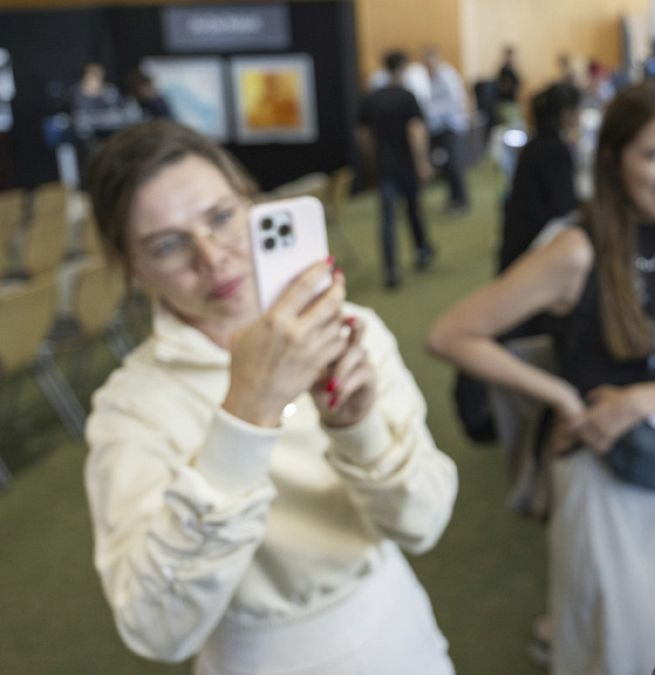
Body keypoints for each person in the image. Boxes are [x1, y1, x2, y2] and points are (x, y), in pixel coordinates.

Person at [82, 120, 457, 675]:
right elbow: (157, 628)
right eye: (167, 246)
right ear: (131, 268)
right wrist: (246, 413)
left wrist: (358, 429)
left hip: (393, 628)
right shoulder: (131, 408)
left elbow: (422, 522)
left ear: (252, 204)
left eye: (221, 217)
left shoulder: (350, 328)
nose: (212, 259)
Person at [428, 81, 655, 675]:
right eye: (654, 154)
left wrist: (631, 404)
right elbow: (450, 334)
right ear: (614, 158)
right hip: (598, 471)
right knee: (611, 637)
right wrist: (563, 398)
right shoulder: (576, 249)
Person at [360, 51, 437, 289]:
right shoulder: (407, 97)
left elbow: (363, 134)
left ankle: (391, 268)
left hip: (384, 165)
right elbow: (416, 130)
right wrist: (422, 161)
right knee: (413, 209)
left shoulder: (372, 97)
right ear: (403, 68)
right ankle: (422, 249)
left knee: (387, 218)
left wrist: (372, 159)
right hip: (406, 164)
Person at [498, 82, 581, 273]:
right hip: (531, 249)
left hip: (518, 241)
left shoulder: (537, 143)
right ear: (566, 113)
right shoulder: (555, 150)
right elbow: (564, 206)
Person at [422, 47, 471, 213]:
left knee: (453, 164)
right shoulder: (432, 78)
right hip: (439, 127)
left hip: (451, 126)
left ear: (436, 59)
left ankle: (460, 200)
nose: (428, 65)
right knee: (444, 164)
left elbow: (452, 101)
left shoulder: (446, 75)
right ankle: (453, 198)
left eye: (429, 61)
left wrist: (430, 111)